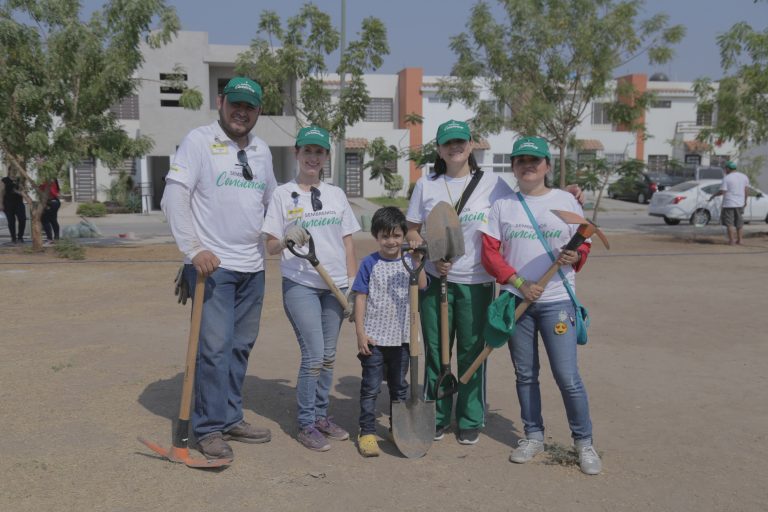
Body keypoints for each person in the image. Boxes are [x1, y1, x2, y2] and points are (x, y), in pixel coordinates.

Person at [406, 120, 584, 446]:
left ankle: (471, 418)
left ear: (471, 145)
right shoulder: (426, 185)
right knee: (436, 352)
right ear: (439, 149)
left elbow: (527, 200)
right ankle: (438, 415)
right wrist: (430, 253)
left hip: (478, 281)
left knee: (474, 351)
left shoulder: (493, 184)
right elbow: (412, 230)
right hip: (436, 281)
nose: (455, 147)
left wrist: (567, 194)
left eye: (461, 141)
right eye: (448, 143)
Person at [161, 77, 277, 460]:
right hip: (213, 269)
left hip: (252, 268)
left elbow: (271, 200)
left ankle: (229, 417)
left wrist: (283, 230)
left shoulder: (261, 151)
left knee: (240, 347)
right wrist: (193, 250)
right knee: (213, 349)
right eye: (235, 104)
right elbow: (174, 196)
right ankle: (207, 428)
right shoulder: (199, 141)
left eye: (250, 106)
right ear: (221, 102)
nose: (241, 112)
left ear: (259, 111)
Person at [479, 136, 601, 475]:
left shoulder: (565, 200)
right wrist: (519, 283)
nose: (528, 166)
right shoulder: (503, 205)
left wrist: (576, 255)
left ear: (547, 165)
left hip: (557, 300)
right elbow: (489, 252)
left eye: (535, 161)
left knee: (567, 375)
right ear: (514, 167)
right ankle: (533, 436)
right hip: (518, 302)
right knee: (526, 374)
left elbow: (585, 244)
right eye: (521, 161)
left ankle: (584, 442)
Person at [263, 125, 360, 452]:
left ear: (326, 157)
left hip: (335, 287)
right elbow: (270, 246)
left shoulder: (336, 194)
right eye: (307, 151)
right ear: (297, 153)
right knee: (315, 355)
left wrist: (352, 287)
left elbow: (348, 245)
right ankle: (306, 423)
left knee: (330, 357)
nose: (313, 157)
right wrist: (286, 237)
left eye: (319, 152)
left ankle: (321, 416)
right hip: (301, 284)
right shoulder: (281, 194)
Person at [351, 207, 428, 457]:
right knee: (371, 387)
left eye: (396, 236)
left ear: (404, 235)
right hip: (374, 337)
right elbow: (360, 299)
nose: (391, 242)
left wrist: (417, 258)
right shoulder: (369, 263)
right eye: (385, 236)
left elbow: (424, 284)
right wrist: (360, 333)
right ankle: (368, 432)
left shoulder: (409, 262)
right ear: (376, 237)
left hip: (403, 339)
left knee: (399, 387)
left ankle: (399, 429)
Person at [709, 161, 749, 245]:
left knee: (729, 223)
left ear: (728, 168)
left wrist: (714, 195)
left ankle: (731, 241)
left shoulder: (727, 178)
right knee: (739, 223)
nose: (725, 170)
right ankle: (740, 240)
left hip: (729, 204)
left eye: (725, 168)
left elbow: (723, 191)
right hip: (740, 204)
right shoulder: (744, 177)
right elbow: (746, 190)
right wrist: (745, 201)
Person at [2, 176, 26, 244]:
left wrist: (19, 188)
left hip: (19, 203)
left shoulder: (19, 179)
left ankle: (20, 237)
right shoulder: (4, 180)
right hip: (8, 203)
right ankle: (13, 238)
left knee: (22, 219)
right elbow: (1, 192)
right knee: (11, 221)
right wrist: (1, 204)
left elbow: (23, 190)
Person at [40, 178, 61, 245]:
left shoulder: (48, 181)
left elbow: (45, 190)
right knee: (53, 219)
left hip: (51, 202)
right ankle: (56, 238)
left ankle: (49, 238)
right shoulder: (53, 179)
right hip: (55, 201)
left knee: (44, 219)